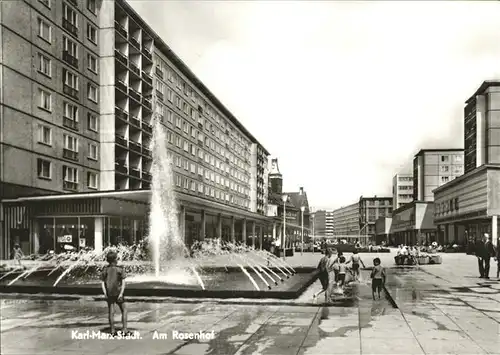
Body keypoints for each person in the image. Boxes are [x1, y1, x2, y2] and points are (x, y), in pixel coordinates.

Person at [101, 250, 128, 335]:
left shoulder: (105, 269)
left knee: (111, 312)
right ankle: (124, 329)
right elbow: (123, 283)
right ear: (115, 259)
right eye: (117, 258)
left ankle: (112, 330)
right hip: (118, 292)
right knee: (124, 310)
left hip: (109, 293)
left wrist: (105, 293)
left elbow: (102, 283)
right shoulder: (120, 269)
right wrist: (121, 294)